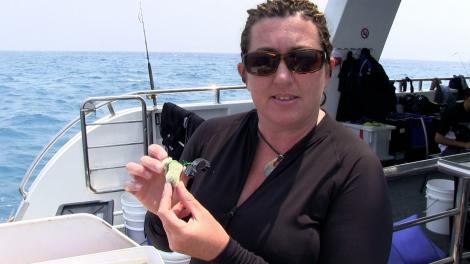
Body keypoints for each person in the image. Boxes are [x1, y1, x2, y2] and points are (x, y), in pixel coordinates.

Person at [126, 0, 392, 263]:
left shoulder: (356, 169)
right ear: (244, 75)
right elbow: (165, 242)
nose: (283, 77)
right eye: (263, 62)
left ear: (327, 71)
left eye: (304, 60)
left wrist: (223, 252)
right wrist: (164, 212)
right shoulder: (209, 136)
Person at [435, 88, 470, 156]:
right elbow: (438, 138)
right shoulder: (452, 112)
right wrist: (465, 144)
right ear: (466, 98)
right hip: (450, 148)